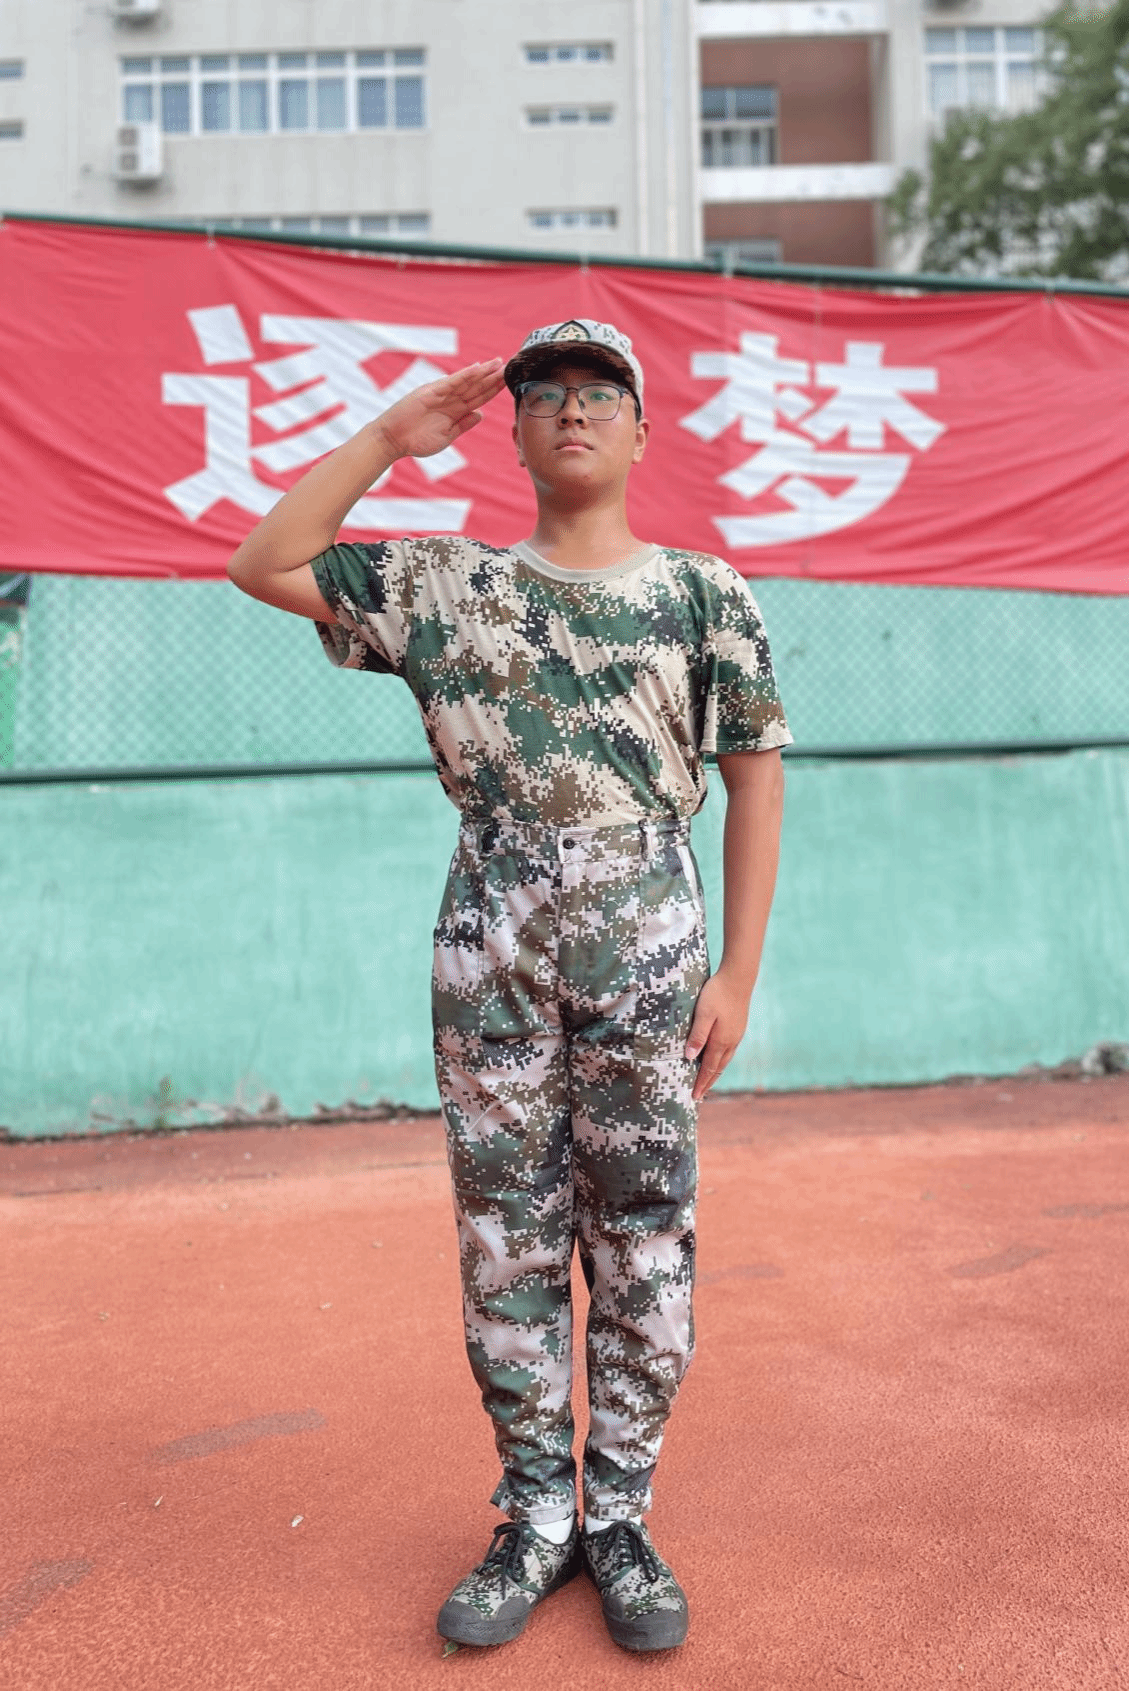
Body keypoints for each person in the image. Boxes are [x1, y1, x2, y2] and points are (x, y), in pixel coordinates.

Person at [227, 318, 790, 1653]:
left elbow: (756, 776)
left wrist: (740, 969)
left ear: (641, 431)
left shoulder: (705, 592)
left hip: (649, 933)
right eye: (546, 395)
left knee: (643, 1229)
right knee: (507, 1233)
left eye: (602, 393)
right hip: (493, 933)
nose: (574, 411)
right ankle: (537, 1512)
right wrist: (390, 437)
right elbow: (265, 561)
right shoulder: (446, 584)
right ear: (518, 433)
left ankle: (622, 1516)